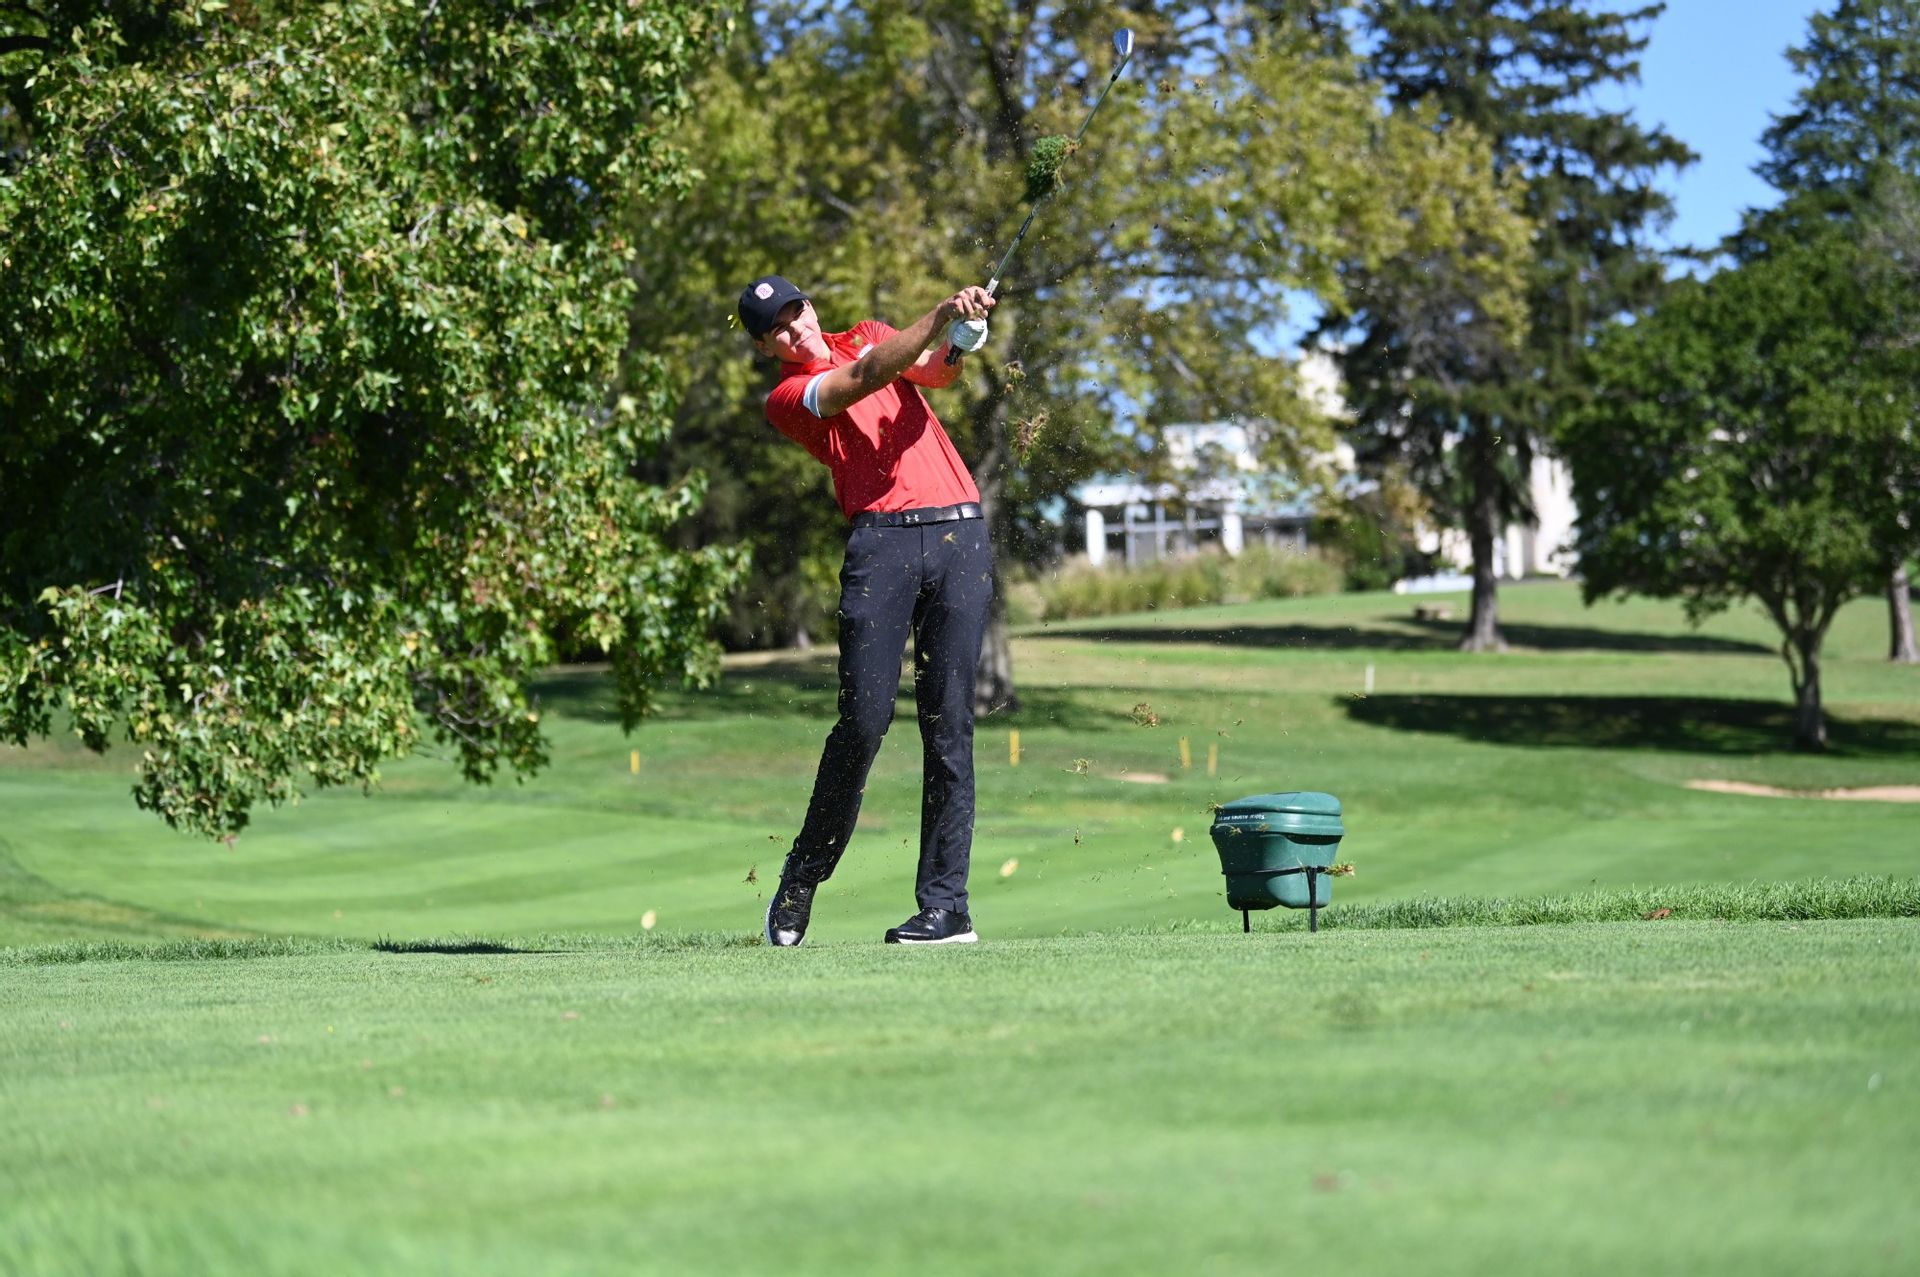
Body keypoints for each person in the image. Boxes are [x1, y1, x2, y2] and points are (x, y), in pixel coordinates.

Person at [738, 274, 997, 946]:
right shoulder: (789, 396)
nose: (797, 329)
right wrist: (941, 310)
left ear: (810, 306)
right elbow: (866, 378)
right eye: (780, 330)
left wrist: (963, 333)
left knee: (950, 725)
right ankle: (803, 874)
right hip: (881, 544)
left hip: (959, 533)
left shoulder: (873, 332)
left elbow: (934, 371)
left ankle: (946, 907)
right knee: (864, 720)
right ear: (769, 348)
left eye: (798, 313)